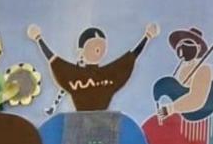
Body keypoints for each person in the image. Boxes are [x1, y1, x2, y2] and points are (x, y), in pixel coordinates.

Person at [28, 22, 159, 111]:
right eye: (93, 46)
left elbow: (130, 58)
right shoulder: (74, 75)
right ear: (81, 50)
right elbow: (53, 60)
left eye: (102, 46)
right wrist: (39, 39)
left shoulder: (108, 74)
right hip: (79, 123)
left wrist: (147, 37)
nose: (98, 49)